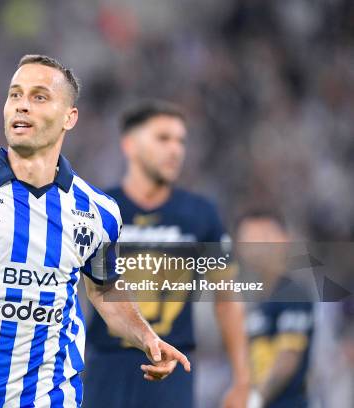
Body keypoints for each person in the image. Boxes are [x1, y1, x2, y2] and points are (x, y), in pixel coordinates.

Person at [0, 55, 191, 408]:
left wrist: (147, 338)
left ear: (69, 117)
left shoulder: (99, 212)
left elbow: (104, 289)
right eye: (15, 95)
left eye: (39, 97)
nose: (22, 107)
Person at [83, 101, 250, 407]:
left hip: (174, 368)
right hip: (105, 368)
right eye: (163, 138)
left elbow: (227, 298)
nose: (176, 150)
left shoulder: (201, 214)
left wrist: (242, 379)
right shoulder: (100, 210)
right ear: (130, 145)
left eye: (181, 141)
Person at [236, 210, 314, 408]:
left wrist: (255, 400)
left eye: (263, 237)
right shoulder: (260, 299)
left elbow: (288, 357)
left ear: (284, 240)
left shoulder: (293, 294)